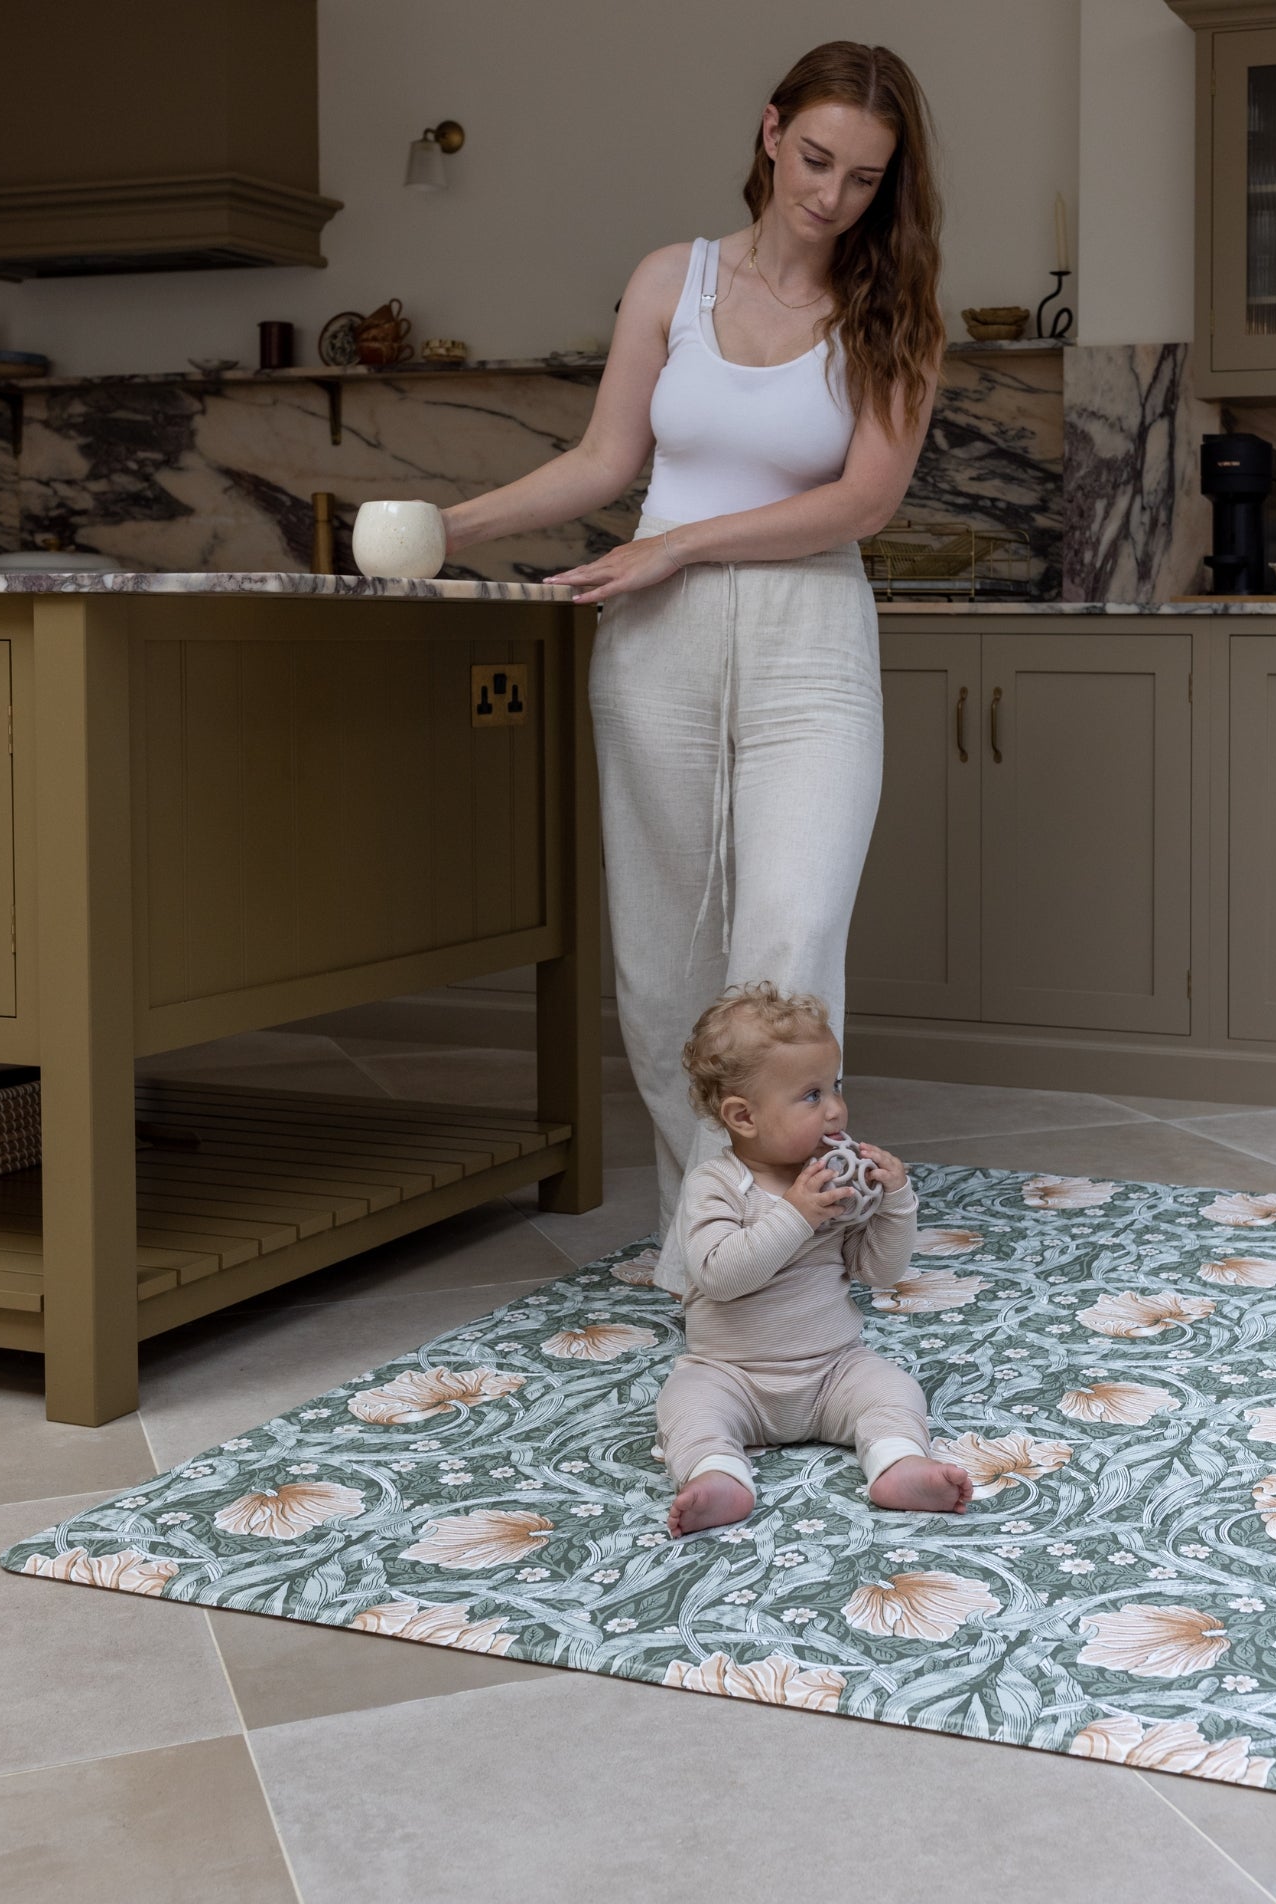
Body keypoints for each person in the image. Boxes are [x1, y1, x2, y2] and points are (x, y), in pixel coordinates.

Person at [441, 42, 945, 1237]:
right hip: (657, 645)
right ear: (770, 134)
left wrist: (683, 542)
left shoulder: (895, 311)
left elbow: (864, 502)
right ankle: (714, 1231)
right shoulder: (674, 279)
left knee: (788, 942)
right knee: (664, 956)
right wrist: (442, 526)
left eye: (865, 179)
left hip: (809, 640)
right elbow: (605, 462)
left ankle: (798, 1234)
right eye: (817, 159)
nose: (831, 195)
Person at [655, 981, 972, 1536]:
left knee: (895, 1388)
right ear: (743, 1117)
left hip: (832, 1370)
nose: (835, 1109)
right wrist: (798, 1215)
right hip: (732, 1375)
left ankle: (897, 1462)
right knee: (685, 1405)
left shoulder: (830, 1184)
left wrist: (894, 1203)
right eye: (811, 1095)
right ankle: (717, 1474)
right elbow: (720, 1275)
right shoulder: (715, 1184)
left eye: (836, 1086)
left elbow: (879, 1272)